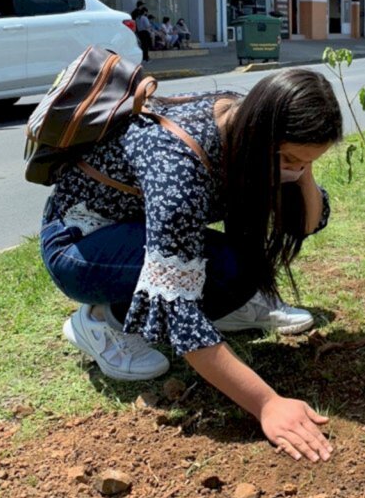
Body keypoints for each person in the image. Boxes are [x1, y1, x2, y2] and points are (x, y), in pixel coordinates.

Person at [39, 70, 343, 462]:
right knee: (189, 286)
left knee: (241, 271)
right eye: (287, 158)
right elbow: (178, 311)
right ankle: (104, 319)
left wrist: (302, 169)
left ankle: (218, 307)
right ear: (259, 131)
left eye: (308, 161)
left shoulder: (247, 122)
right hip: (84, 248)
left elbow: (306, 222)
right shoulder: (179, 163)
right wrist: (267, 404)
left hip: (141, 231)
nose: (294, 169)